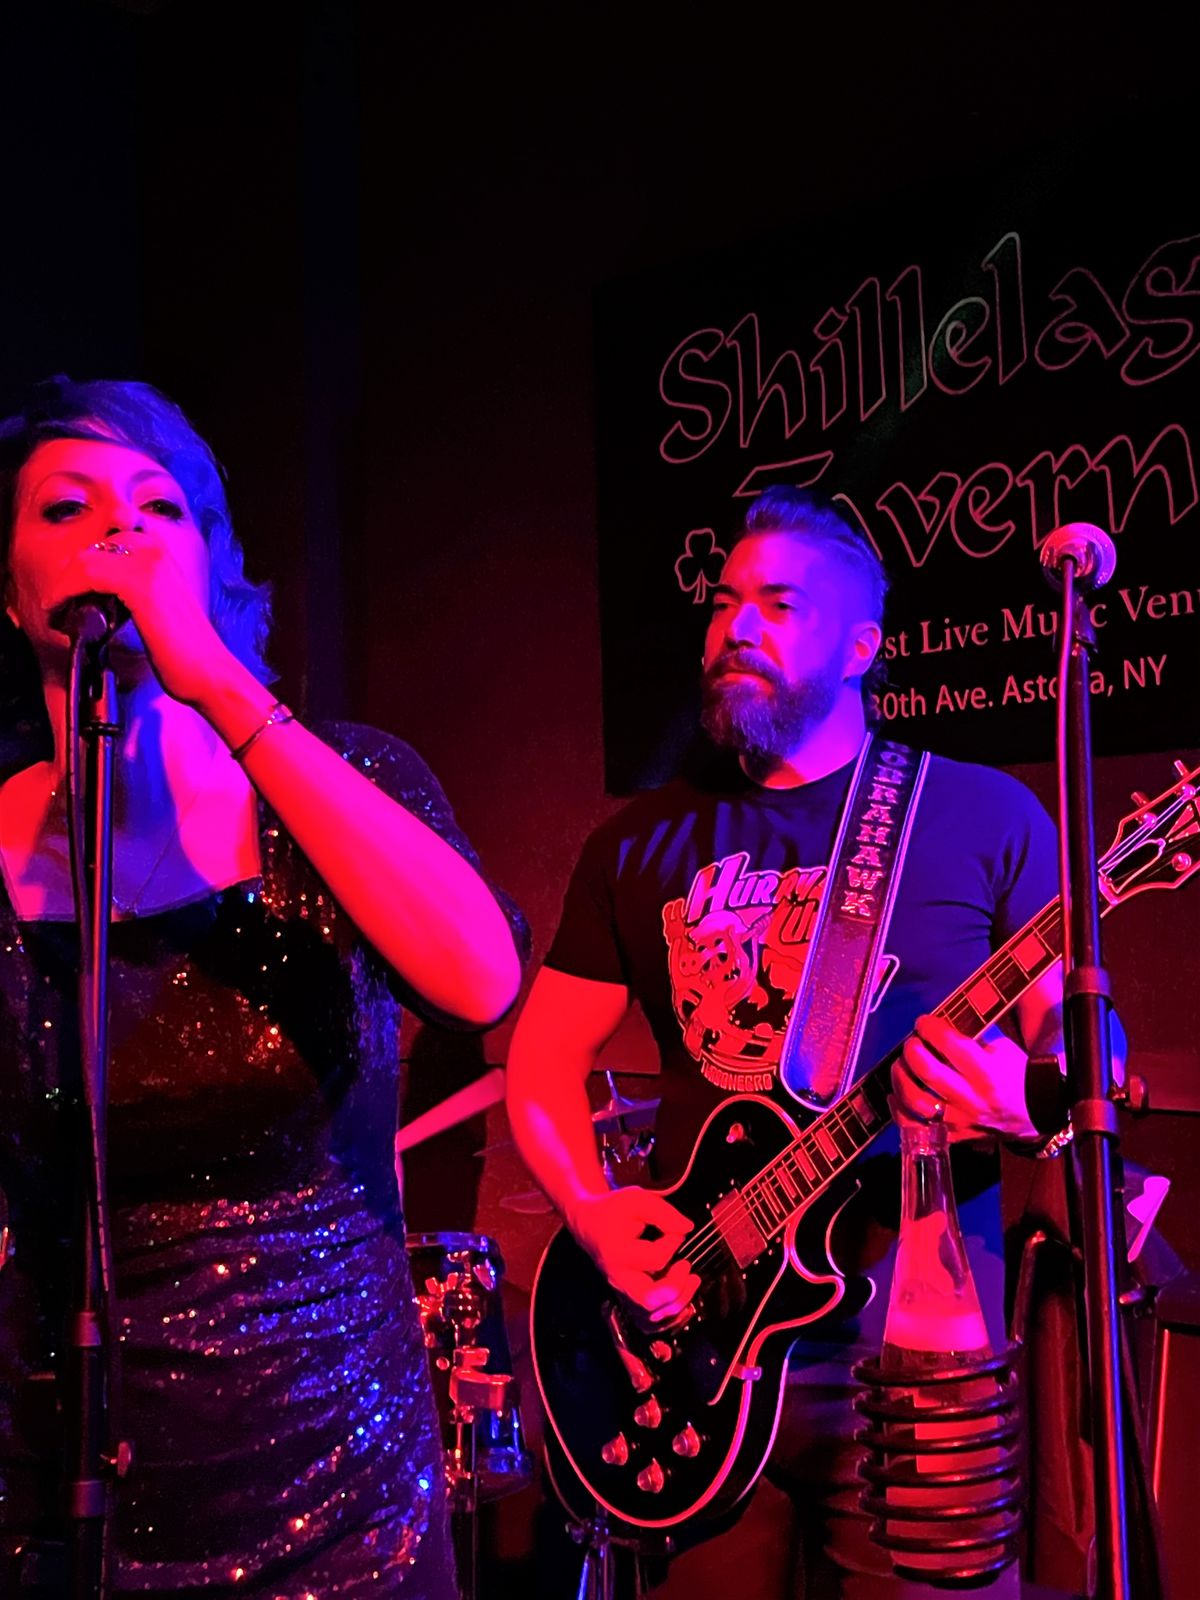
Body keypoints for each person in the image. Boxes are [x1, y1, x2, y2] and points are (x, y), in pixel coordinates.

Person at [0, 377, 528, 1597]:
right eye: (67, 507)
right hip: (64, 1501)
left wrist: (219, 682)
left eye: (159, 508)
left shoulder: (339, 780)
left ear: (210, 564)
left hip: (342, 1502)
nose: (117, 531)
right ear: (10, 590)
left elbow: (480, 977)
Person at [506, 486, 1069, 1600]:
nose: (737, 628)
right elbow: (540, 1064)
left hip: (918, 1353)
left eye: (778, 604)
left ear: (861, 647)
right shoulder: (637, 843)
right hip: (694, 1344)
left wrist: (1024, 1101)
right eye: (725, 603)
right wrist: (590, 1212)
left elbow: (1081, 1046)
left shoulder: (980, 813)